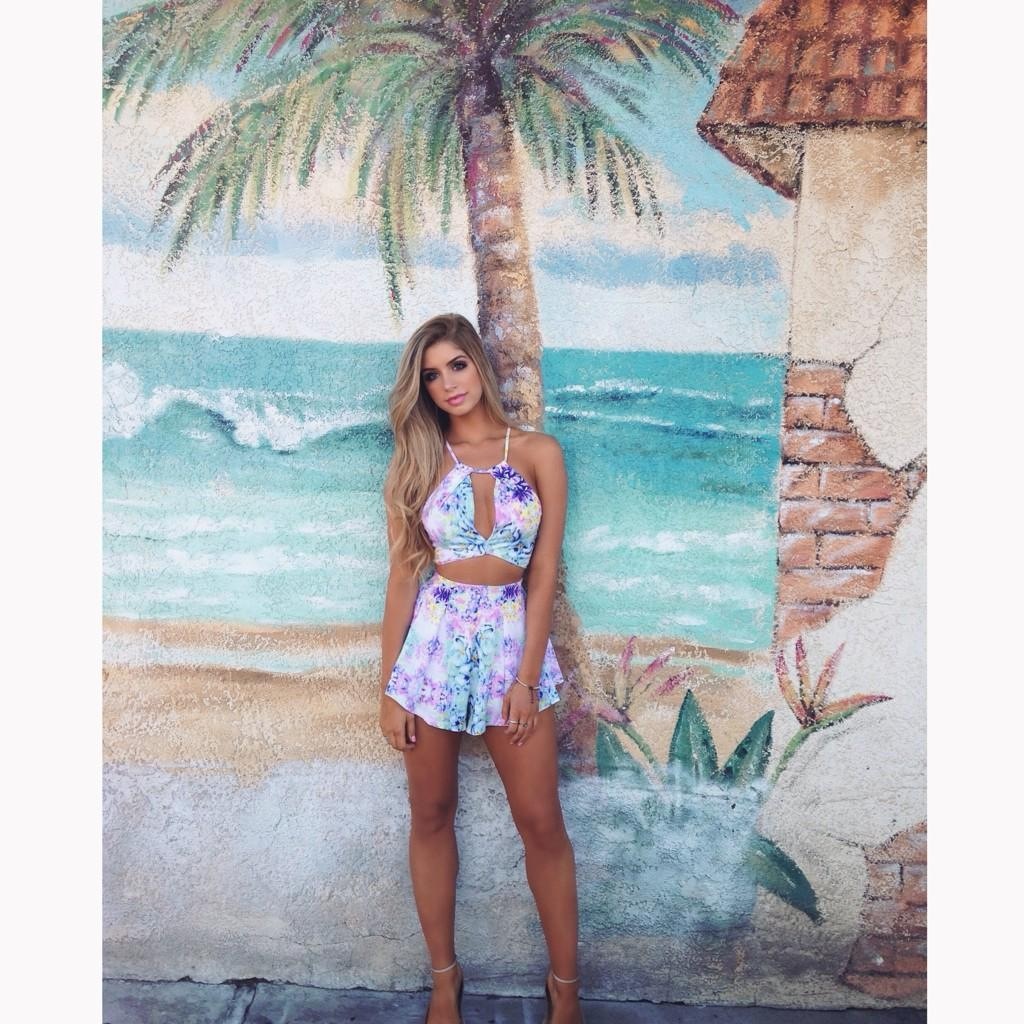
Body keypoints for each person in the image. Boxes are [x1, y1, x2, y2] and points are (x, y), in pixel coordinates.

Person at [378, 313, 584, 1024]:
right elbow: (402, 580)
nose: (447, 384)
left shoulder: (539, 453)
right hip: (431, 651)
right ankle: (445, 980)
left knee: (542, 821)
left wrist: (526, 678)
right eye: (431, 375)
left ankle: (565, 989)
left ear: (479, 364)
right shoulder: (418, 462)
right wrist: (390, 689)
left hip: (510, 648)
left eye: (456, 365)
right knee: (432, 814)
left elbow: (545, 572)